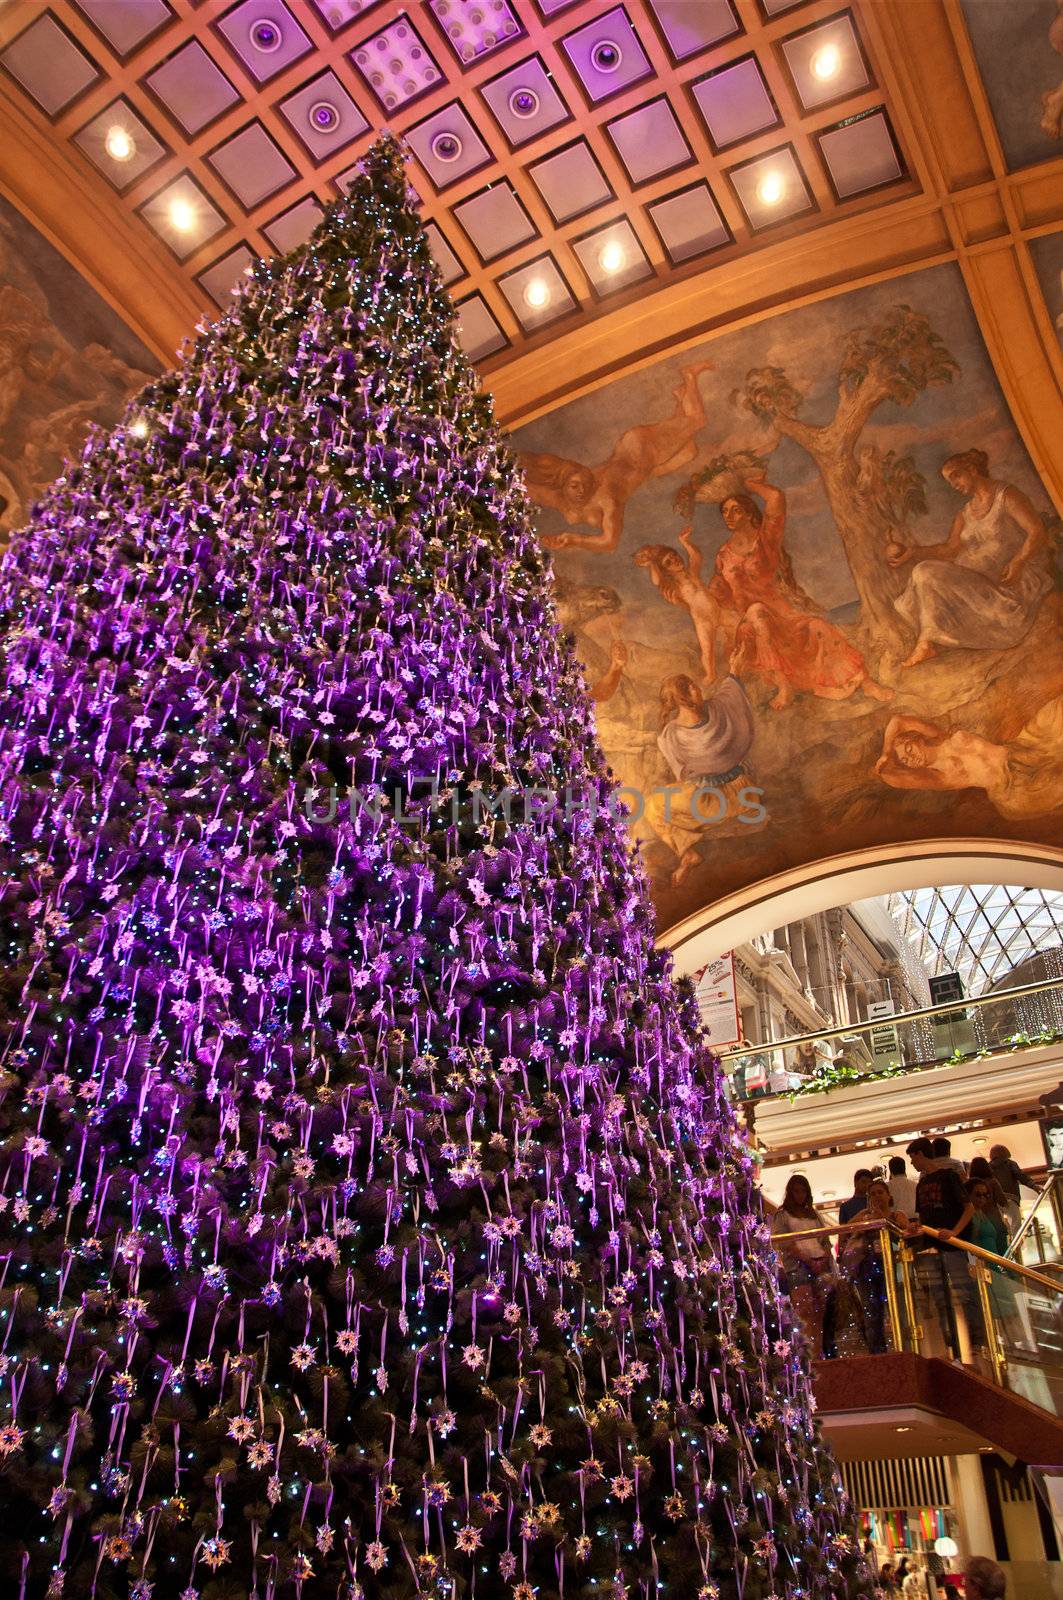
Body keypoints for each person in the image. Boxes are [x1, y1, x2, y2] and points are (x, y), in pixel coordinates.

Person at [713, 473, 893, 710]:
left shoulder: (765, 541)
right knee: (757, 612)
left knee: (817, 627)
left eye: (735, 510)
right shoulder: (723, 556)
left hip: (780, 615)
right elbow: (720, 598)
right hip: (748, 625)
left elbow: (776, 497)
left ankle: (866, 682)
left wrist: (750, 484)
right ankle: (784, 686)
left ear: (748, 513)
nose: (729, 516)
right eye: (725, 512)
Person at [521, 360, 715, 552]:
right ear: (563, 486)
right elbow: (531, 490)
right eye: (575, 486)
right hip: (648, 469)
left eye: (585, 485)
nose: (581, 490)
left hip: (640, 448)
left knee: (697, 420)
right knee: (690, 451)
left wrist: (574, 539)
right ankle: (681, 398)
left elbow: (610, 542)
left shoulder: (607, 499)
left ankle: (689, 374)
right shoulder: (561, 500)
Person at [887, 448, 1052, 669]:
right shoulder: (964, 514)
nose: (953, 484)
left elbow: (1037, 531)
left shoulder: (1006, 495)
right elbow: (949, 550)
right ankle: (928, 641)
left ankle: (928, 643)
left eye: (956, 475)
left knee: (924, 572)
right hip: (978, 583)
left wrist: (1019, 561)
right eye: (949, 481)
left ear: (972, 470)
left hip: (1008, 583)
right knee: (922, 570)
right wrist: (913, 552)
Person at [646, 672, 760, 887]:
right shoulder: (678, 730)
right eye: (692, 687)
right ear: (683, 698)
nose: (698, 690)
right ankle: (689, 853)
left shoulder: (674, 732)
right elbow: (731, 694)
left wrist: (735, 670)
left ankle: (687, 852)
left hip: (721, 796)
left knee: (653, 806)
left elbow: (682, 775)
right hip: (743, 793)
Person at [874, 695, 1063, 821]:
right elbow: (891, 777)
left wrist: (886, 751)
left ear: (918, 738)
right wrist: (887, 762)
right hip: (1012, 785)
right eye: (906, 761)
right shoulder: (940, 776)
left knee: (1056, 711)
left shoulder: (941, 737)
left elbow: (898, 721)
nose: (911, 758)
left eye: (909, 749)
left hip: (1021, 750)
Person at [907, 1137, 983, 1355]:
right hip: (931, 1246)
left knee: (964, 1291)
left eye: (913, 1157)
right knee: (941, 1297)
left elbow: (968, 1208)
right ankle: (952, 1343)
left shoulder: (949, 1176)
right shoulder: (921, 1184)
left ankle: (976, 1340)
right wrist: (916, 1228)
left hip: (952, 1244)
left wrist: (954, 1233)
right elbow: (923, 1217)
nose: (912, 1163)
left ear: (921, 1154)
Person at [633, 536, 738, 681]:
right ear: (666, 571)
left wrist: (685, 542)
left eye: (674, 555)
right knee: (708, 652)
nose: (675, 560)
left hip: (718, 613)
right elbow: (657, 580)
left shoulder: (692, 573)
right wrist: (652, 564)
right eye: (668, 563)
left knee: (739, 622)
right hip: (703, 621)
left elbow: (696, 556)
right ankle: (710, 675)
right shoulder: (675, 587)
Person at [839, 1177, 909, 1353]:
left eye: (880, 1193)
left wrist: (885, 1220)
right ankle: (877, 1352)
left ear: (888, 1196)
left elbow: (906, 1232)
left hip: (894, 1267)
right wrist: (865, 1221)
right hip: (867, 1269)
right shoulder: (864, 1215)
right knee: (871, 1311)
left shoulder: (896, 1215)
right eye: (873, 1194)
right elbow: (846, 1229)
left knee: (898, 1308)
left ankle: (904, 1348)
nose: (877, 1196)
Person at [770, 1173, 835, 1359]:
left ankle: (818, 1352)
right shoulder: (782, 1215)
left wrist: (823, 1258)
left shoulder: (814, 1215)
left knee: (819, 1311)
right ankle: (805, 1355)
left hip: (819, 1263)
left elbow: (825, 1240)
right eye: (796, 1191)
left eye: (803, 1191)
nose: (800, 1195)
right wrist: (805, 1258)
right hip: (798, 1267)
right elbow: (784, 1243)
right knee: (804, 1310)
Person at [989, 1143, 1039, 1231]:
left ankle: (1008, 1241)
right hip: (1011, 1197)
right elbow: (1020, 1175)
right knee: (1016, 1223)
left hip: (995, 1199)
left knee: (1000, 1225)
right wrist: (1033, 1185)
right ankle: (1016, 1242)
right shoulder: (1010, 1163)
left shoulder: (989, 1167)